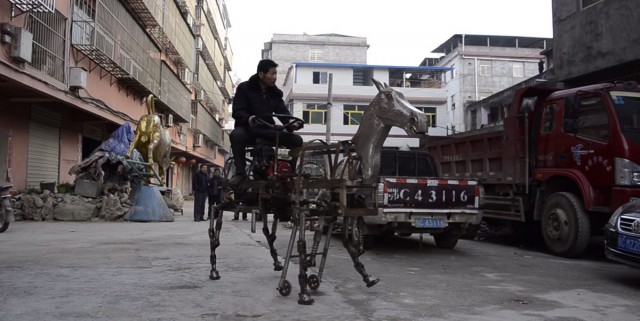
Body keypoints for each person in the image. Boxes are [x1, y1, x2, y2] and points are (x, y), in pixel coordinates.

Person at [229, 59, 304, 185]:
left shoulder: (275, 93)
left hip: (267, 129)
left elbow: (283, 112)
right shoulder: (244, 88)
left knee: (296, 140)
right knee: (236, 135)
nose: (274, 77)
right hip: (249, 129)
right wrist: (249, 119)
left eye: (276, 74)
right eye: (272, 74)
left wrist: (291, 122)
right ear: (261, 74)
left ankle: (288, 173)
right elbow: (237, 111)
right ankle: (240, 173)